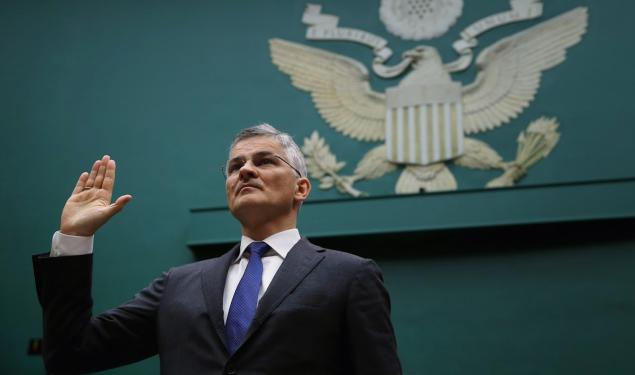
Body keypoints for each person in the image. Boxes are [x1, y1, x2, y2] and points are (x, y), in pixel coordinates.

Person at [33, 123, 402, 375]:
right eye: (235, 166)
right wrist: (75, 240)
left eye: (265, 161)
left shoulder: (349, 275)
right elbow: (69, 354)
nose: (245, 171)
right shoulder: (177, 284)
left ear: (301, 188)